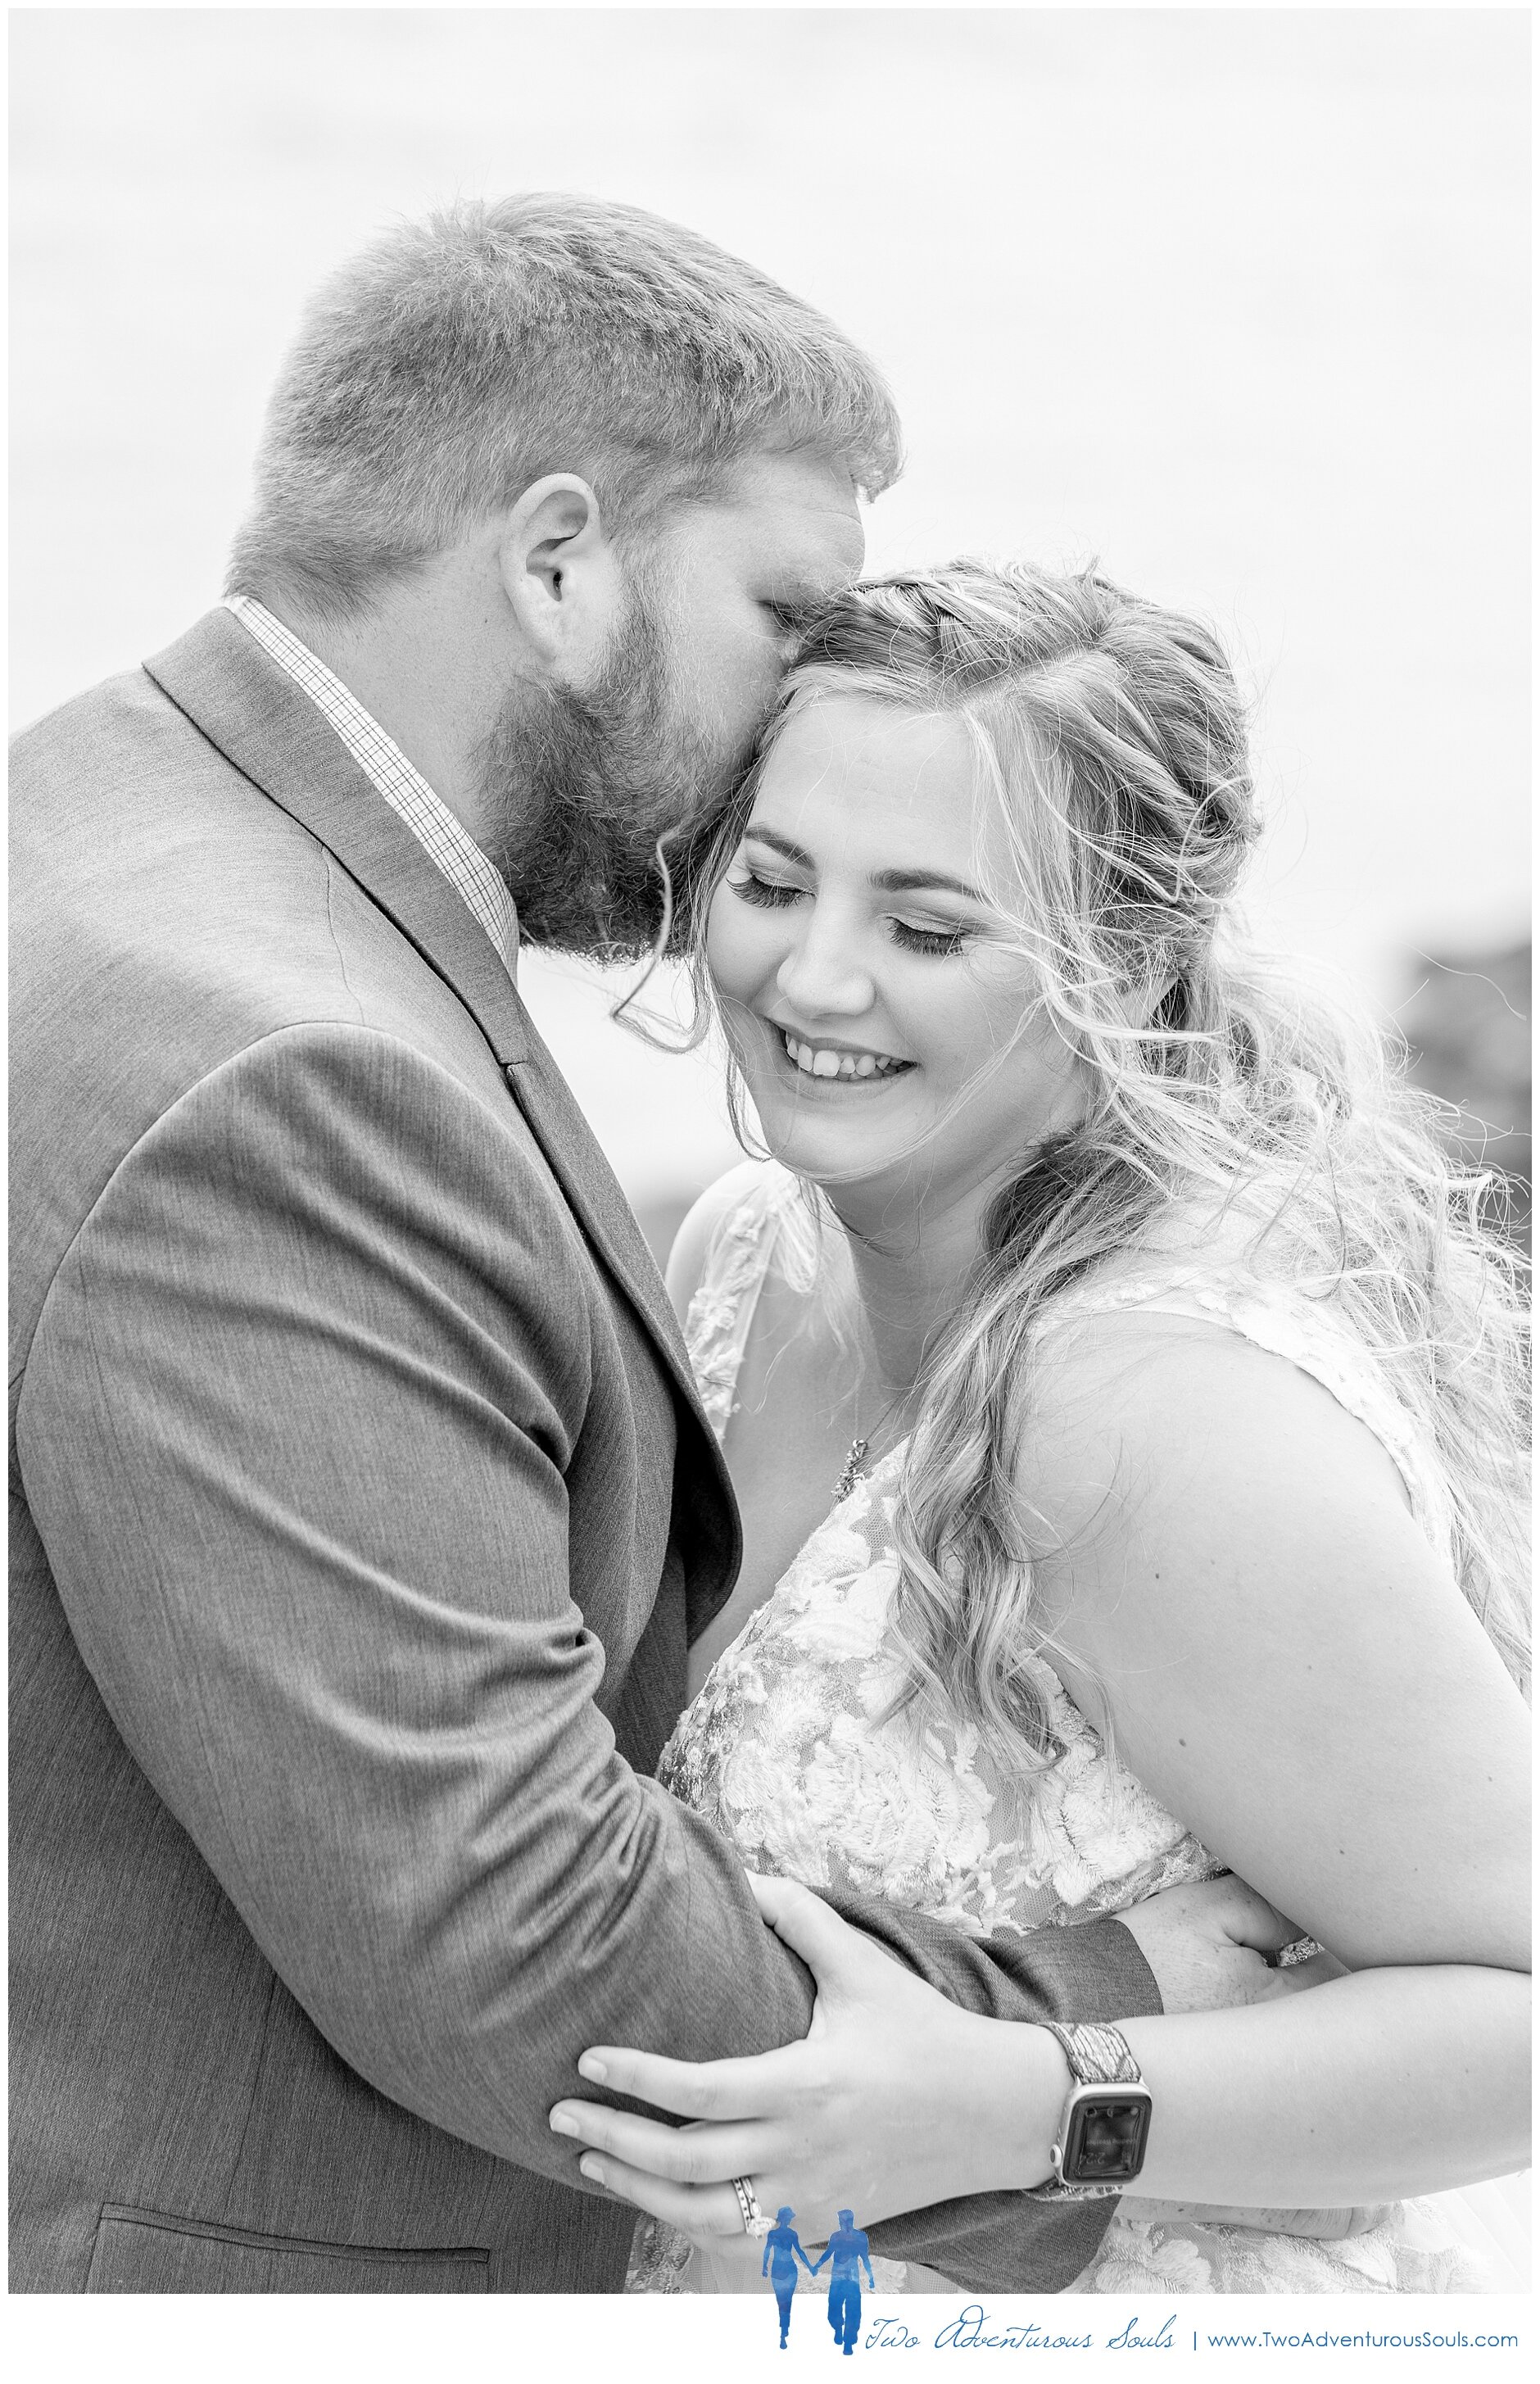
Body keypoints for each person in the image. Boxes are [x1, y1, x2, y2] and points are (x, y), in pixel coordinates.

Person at [8, 198, 1265, 2296]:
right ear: (561, 560)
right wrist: (1087, 2012)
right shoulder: (293, 1070)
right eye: (783, 606)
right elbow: (509, 1937)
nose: (805, 699)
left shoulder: (90, 814)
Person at [549, 563, 1532, 2294]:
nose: (814, 979)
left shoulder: (1141, 1413)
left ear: (1123, 957)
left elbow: (1514, 2015)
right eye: (771, 883)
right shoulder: (737, 1259)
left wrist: (1035, 2094)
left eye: (927, 930)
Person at [815, 2211, 874, 2352]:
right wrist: (817, 2265)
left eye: (845, 2220)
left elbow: (865, 2258)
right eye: (841, 2220)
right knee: (834, 2308)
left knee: (853, 2310)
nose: (843, 2223)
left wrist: (871, 2277)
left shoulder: (860, 2237)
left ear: (851, 2221)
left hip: (852, 2280)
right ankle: (838, 2329)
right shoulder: (835, 2237)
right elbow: (828, 2253)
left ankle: (848, 2340)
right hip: (837, 2279)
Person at [762, 2206, 817, 2346]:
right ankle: (782, 2332)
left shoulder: (791, 2234)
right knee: (781, 2301)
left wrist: (810, 2266)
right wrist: (764, 2267)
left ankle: (784, 2332)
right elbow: (767, 2251)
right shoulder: (774, 2234)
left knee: (787, 2301)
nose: (788, 2220)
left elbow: (799, 2251)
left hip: (788, 2268)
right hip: (780, 2268)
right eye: (787, 2218)